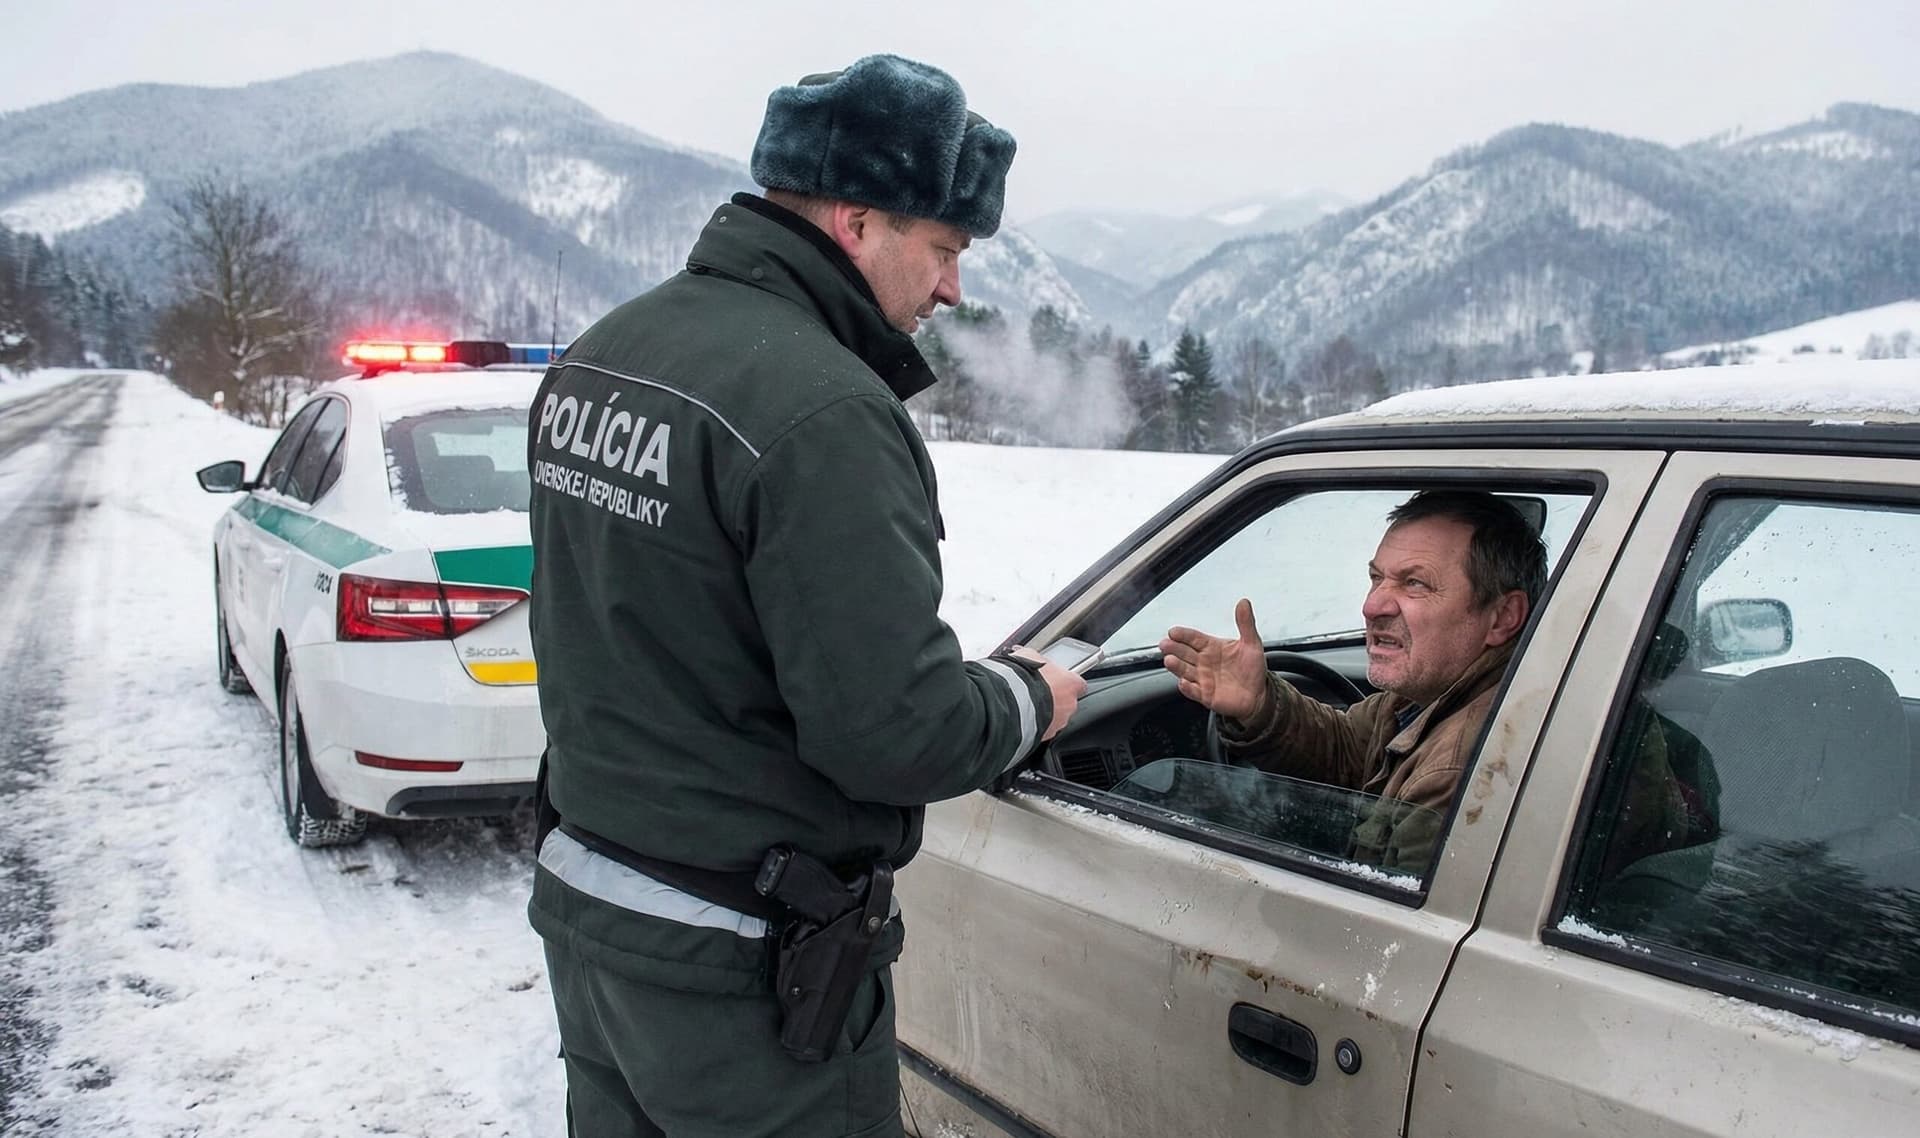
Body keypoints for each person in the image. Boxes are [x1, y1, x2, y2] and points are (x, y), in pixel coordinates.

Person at [524, 55, 1086, 1138]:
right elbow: (893, 730)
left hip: (595, 917)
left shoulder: (602, 357)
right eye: (944, 248)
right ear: (857, 220)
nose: (954, 288)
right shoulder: (824, 411)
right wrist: (1030, 698)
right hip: (746, 974)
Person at [1160, 490, 1545, 872]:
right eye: (1377, 578)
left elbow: (1388, 924)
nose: (1372, 606)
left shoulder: (1455, 775)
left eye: (1415, 584)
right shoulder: (1430, 695)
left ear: (1502, 617)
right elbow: (1350, 750)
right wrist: (1259, 705)